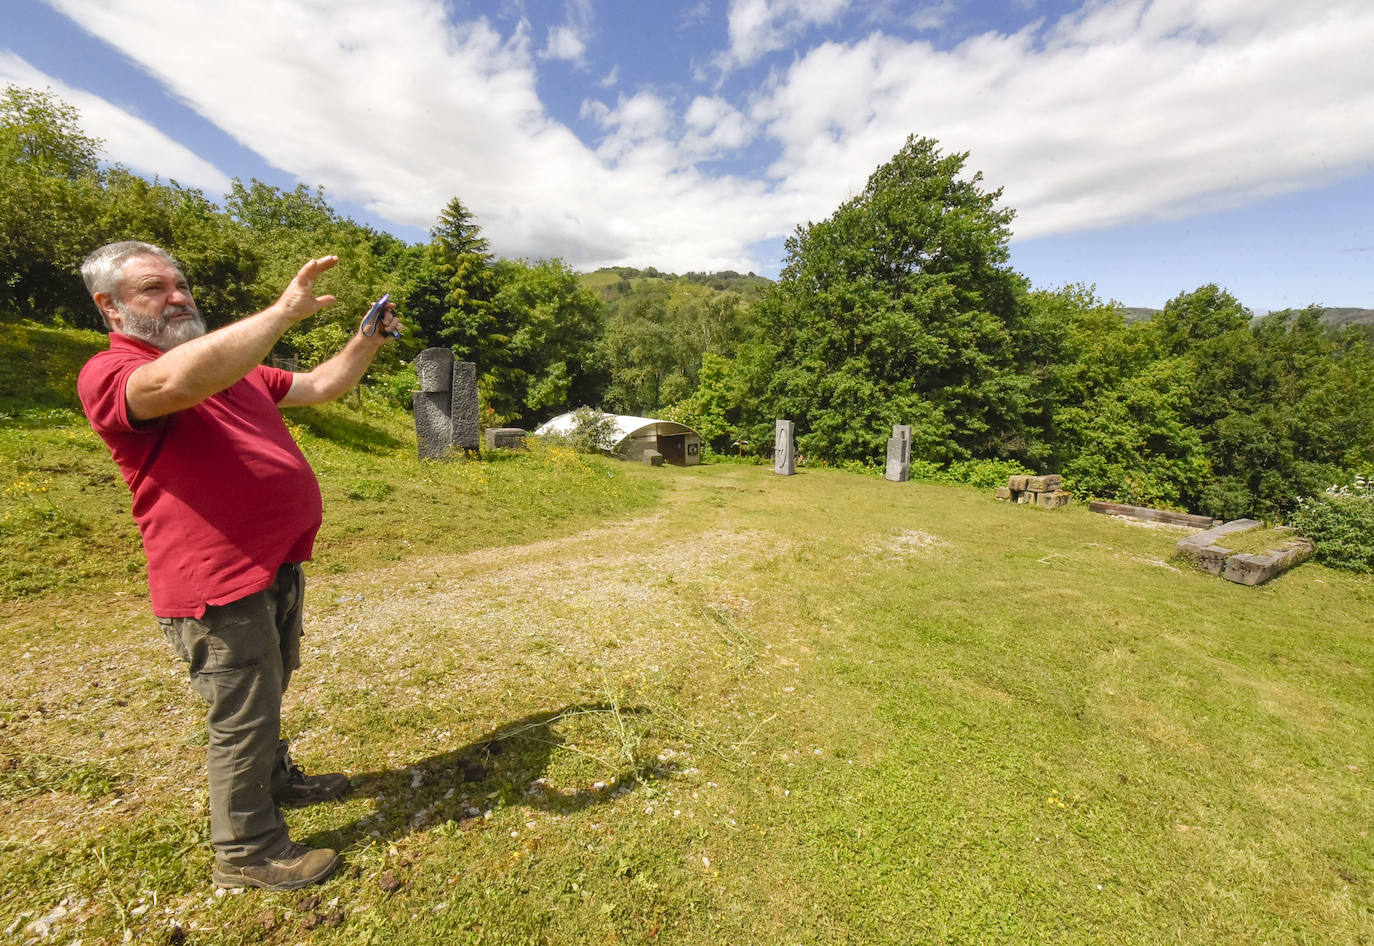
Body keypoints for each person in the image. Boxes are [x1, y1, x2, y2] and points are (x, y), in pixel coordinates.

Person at [76, 241, 400, 891]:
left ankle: (274, 781)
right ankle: (247, 852)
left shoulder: (235, 368)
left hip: (272, 565)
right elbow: (173, 384)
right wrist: (283, 312)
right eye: (153, 289)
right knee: (243, 713)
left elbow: (321, 385)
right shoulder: (112, 372)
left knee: (267, 689)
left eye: (180, 284)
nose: (177, 297)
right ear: (109, 307)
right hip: (214, 581)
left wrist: (368, 339)